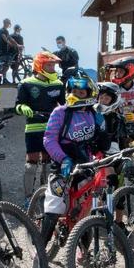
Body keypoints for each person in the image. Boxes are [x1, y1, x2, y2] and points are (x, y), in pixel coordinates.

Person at [40, 72, 112, 244]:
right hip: (62, 163)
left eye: (81, 92)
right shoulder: (60, 112)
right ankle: (40, 248)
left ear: (90, 94)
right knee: (54, 206)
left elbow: (104, 146)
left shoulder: (93, 114)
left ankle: (83, 249)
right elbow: (49, 139)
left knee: (85, 208)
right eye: (74, 91)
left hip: (85, 164)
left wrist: (102, 127)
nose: (76, 95)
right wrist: (63, 158)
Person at [15, 51, 65, 199]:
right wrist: (23, 107)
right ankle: (28, 197)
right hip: (33, 128)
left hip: (52, 128)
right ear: (39, 66)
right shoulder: (26, 84)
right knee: (31, 164)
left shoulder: (59, 84)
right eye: (49, 65)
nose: (52, 68)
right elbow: (18, 105)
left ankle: (46, 194)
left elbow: (64, 105)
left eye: (53, 65)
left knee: (48, 163)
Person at [0, 18, 18, 83]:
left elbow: (10, 38)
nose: (9, 25)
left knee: (5, 65)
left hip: (4, 51)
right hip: (1, 50)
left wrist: (17, 44)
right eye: (8, 23)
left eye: (9, 24)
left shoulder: (6, 31)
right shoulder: (2, 30)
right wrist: (10, 44)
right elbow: (4, 38)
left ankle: (4, 79)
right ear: (5, 23)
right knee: (6, 65)